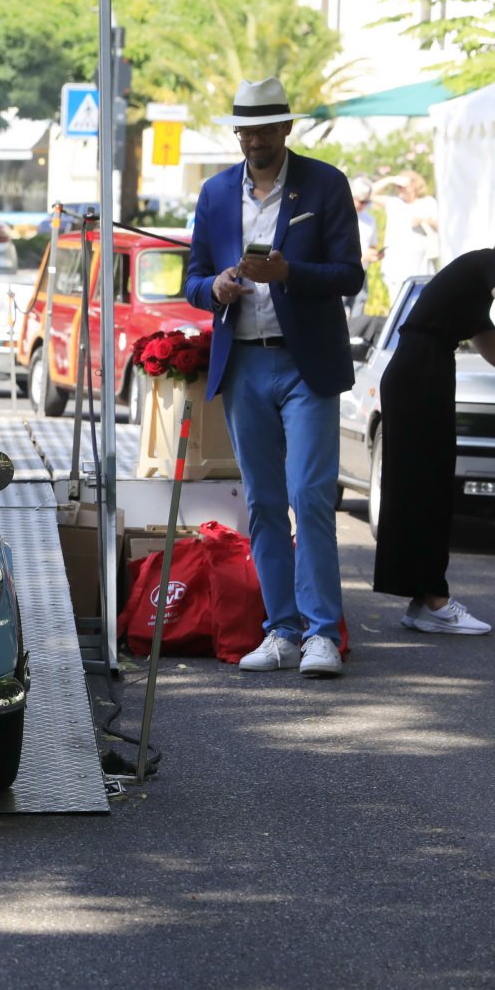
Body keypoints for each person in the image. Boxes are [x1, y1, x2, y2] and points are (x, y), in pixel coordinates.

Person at [181, 77, 364, 678]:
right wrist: (216, 287)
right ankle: (281, 630)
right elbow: (192, 279)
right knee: (262, 500)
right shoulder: (215, 192)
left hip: (306, 363)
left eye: (264, 130)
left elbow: (350, 274)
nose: (254, 141)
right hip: (244, 363)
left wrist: (290, 273)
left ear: (286, 127)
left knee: (310, 494)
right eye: (245, 131)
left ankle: (321, 634)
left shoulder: (325, 184)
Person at [373, 249, 495, 634]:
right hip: (420, 370)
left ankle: (421, 600)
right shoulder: (486, 263)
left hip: (422, 368)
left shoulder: (471, 291)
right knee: (425, 486)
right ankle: (434, 600)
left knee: (425, 484)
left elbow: (491, 347)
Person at [376, 171, 440, 296]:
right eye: (398, 186)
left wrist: (424, 220)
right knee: (397, 300)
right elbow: (370, 193)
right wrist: (391, 179)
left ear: (414, 185)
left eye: (402, 186)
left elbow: (440, 225)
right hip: (396, 267)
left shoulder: (428, 202)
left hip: (422, 266)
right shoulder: (393, 202)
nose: (399, 189)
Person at [350, 175, 388, 318]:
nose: (364, 205)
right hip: (342, 270)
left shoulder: (369, 219)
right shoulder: (339, 216)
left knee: (359, 308)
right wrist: (360, 256)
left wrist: (376, 254)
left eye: (367, 201)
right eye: (361, 201)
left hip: (361, 271)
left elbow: (372, 245)